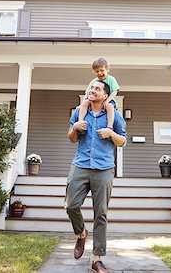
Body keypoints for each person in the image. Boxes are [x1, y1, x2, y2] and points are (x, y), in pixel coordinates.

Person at [66, 80, 126, 273]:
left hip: (104, 168)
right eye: (91, 88)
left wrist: (110, 133)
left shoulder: (114, 115)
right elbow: (72, 138)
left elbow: (122, 140)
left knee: (100, 213)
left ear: (105, 96)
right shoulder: (79, 112)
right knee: (71, 205)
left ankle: (97, 259)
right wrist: (75, 128)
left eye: (97, 89)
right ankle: (81, 233)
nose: (92, 91)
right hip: (80, 165)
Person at [77, 58, 120, 131]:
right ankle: (80, 121)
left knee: (109, 106)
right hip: (96, 100)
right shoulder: (94, 81)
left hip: (108, 99)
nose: (100, 73)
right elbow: (87, 93)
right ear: (94, 72)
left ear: (107, 69)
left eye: (102, 70)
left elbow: (114, 91)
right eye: (97, 71)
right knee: (85, 103)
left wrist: (107, 101)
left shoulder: (111, 79)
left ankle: (109, 126)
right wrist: (82, 103)